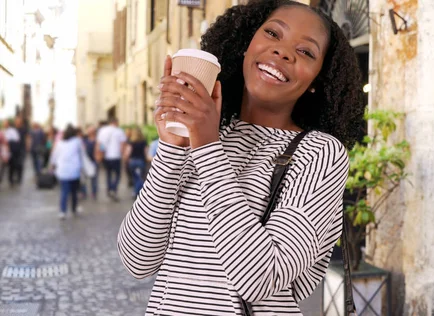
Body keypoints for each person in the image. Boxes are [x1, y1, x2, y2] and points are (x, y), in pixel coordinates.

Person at [117, 1, 364, 314]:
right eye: (273, 33)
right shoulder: (204, 134)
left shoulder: (320, 153)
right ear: (246, 43)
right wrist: (172, 147)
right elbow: (137, 260)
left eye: (306, 52)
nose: (283, 52)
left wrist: (206, 148)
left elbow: (260, 279)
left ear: (318, 81)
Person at [50, 125, 83, 219]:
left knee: (64, 192)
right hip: (75, 171)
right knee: (74, 192)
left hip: (63, 171)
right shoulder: (77, 141)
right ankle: (74, 208)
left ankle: (62, 211)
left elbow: (54, 155)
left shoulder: (60, 143)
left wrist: (52, 165)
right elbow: (81, 155)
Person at [96, 118, 127, 201]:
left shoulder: (103, 130)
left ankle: (109, 189)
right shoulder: (119, 131)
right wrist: (123, 155)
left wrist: (99, 154)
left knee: (108, 174)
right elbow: (122, 145)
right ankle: (113, 188)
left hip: (106, 156)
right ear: (116, 122)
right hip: (116, 156)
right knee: (117, 174)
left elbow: (99, 144)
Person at [123, 126, 147, 198]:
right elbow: (146, 152)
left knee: (135, 177)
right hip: (140, 161)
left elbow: (128, 152)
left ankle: (135, 191)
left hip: (132, 161)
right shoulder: (144, 142)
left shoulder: (131, 142)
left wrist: (126, 160)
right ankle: (137, 192)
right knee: (140, 178)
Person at [80, 125, 98, 200]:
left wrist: (99, 158)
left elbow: (102, 149)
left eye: (90, 131)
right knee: (84, 179)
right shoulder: (84, 140)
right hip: (85, 162)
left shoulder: (97, 140)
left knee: (94, 179)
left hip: (94, 161)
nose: (89, 132)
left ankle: (94, 193)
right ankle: (83, 192)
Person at [4, 119, 23, 187]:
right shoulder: (11, 130)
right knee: (13, 165)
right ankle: (13, 179)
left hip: (11, 150)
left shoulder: (9, 131)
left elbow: (7, 142)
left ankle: (11, 179)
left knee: (12, 165)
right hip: (13, 149)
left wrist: (8, 151)